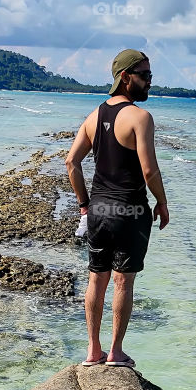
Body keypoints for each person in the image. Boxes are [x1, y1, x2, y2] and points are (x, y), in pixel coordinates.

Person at [65, 48, 170, 368]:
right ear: (126, 78)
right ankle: (115, 353)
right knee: (123, 282)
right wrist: (162, 202)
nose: (150, 82)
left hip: (97, 212)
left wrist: (84, 204)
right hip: (130, 213)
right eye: (146, 76)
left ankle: (92, 352)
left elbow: (71, 162)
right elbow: (149, 170)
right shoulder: (140, 117)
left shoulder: (94, 116)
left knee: (97, 279)